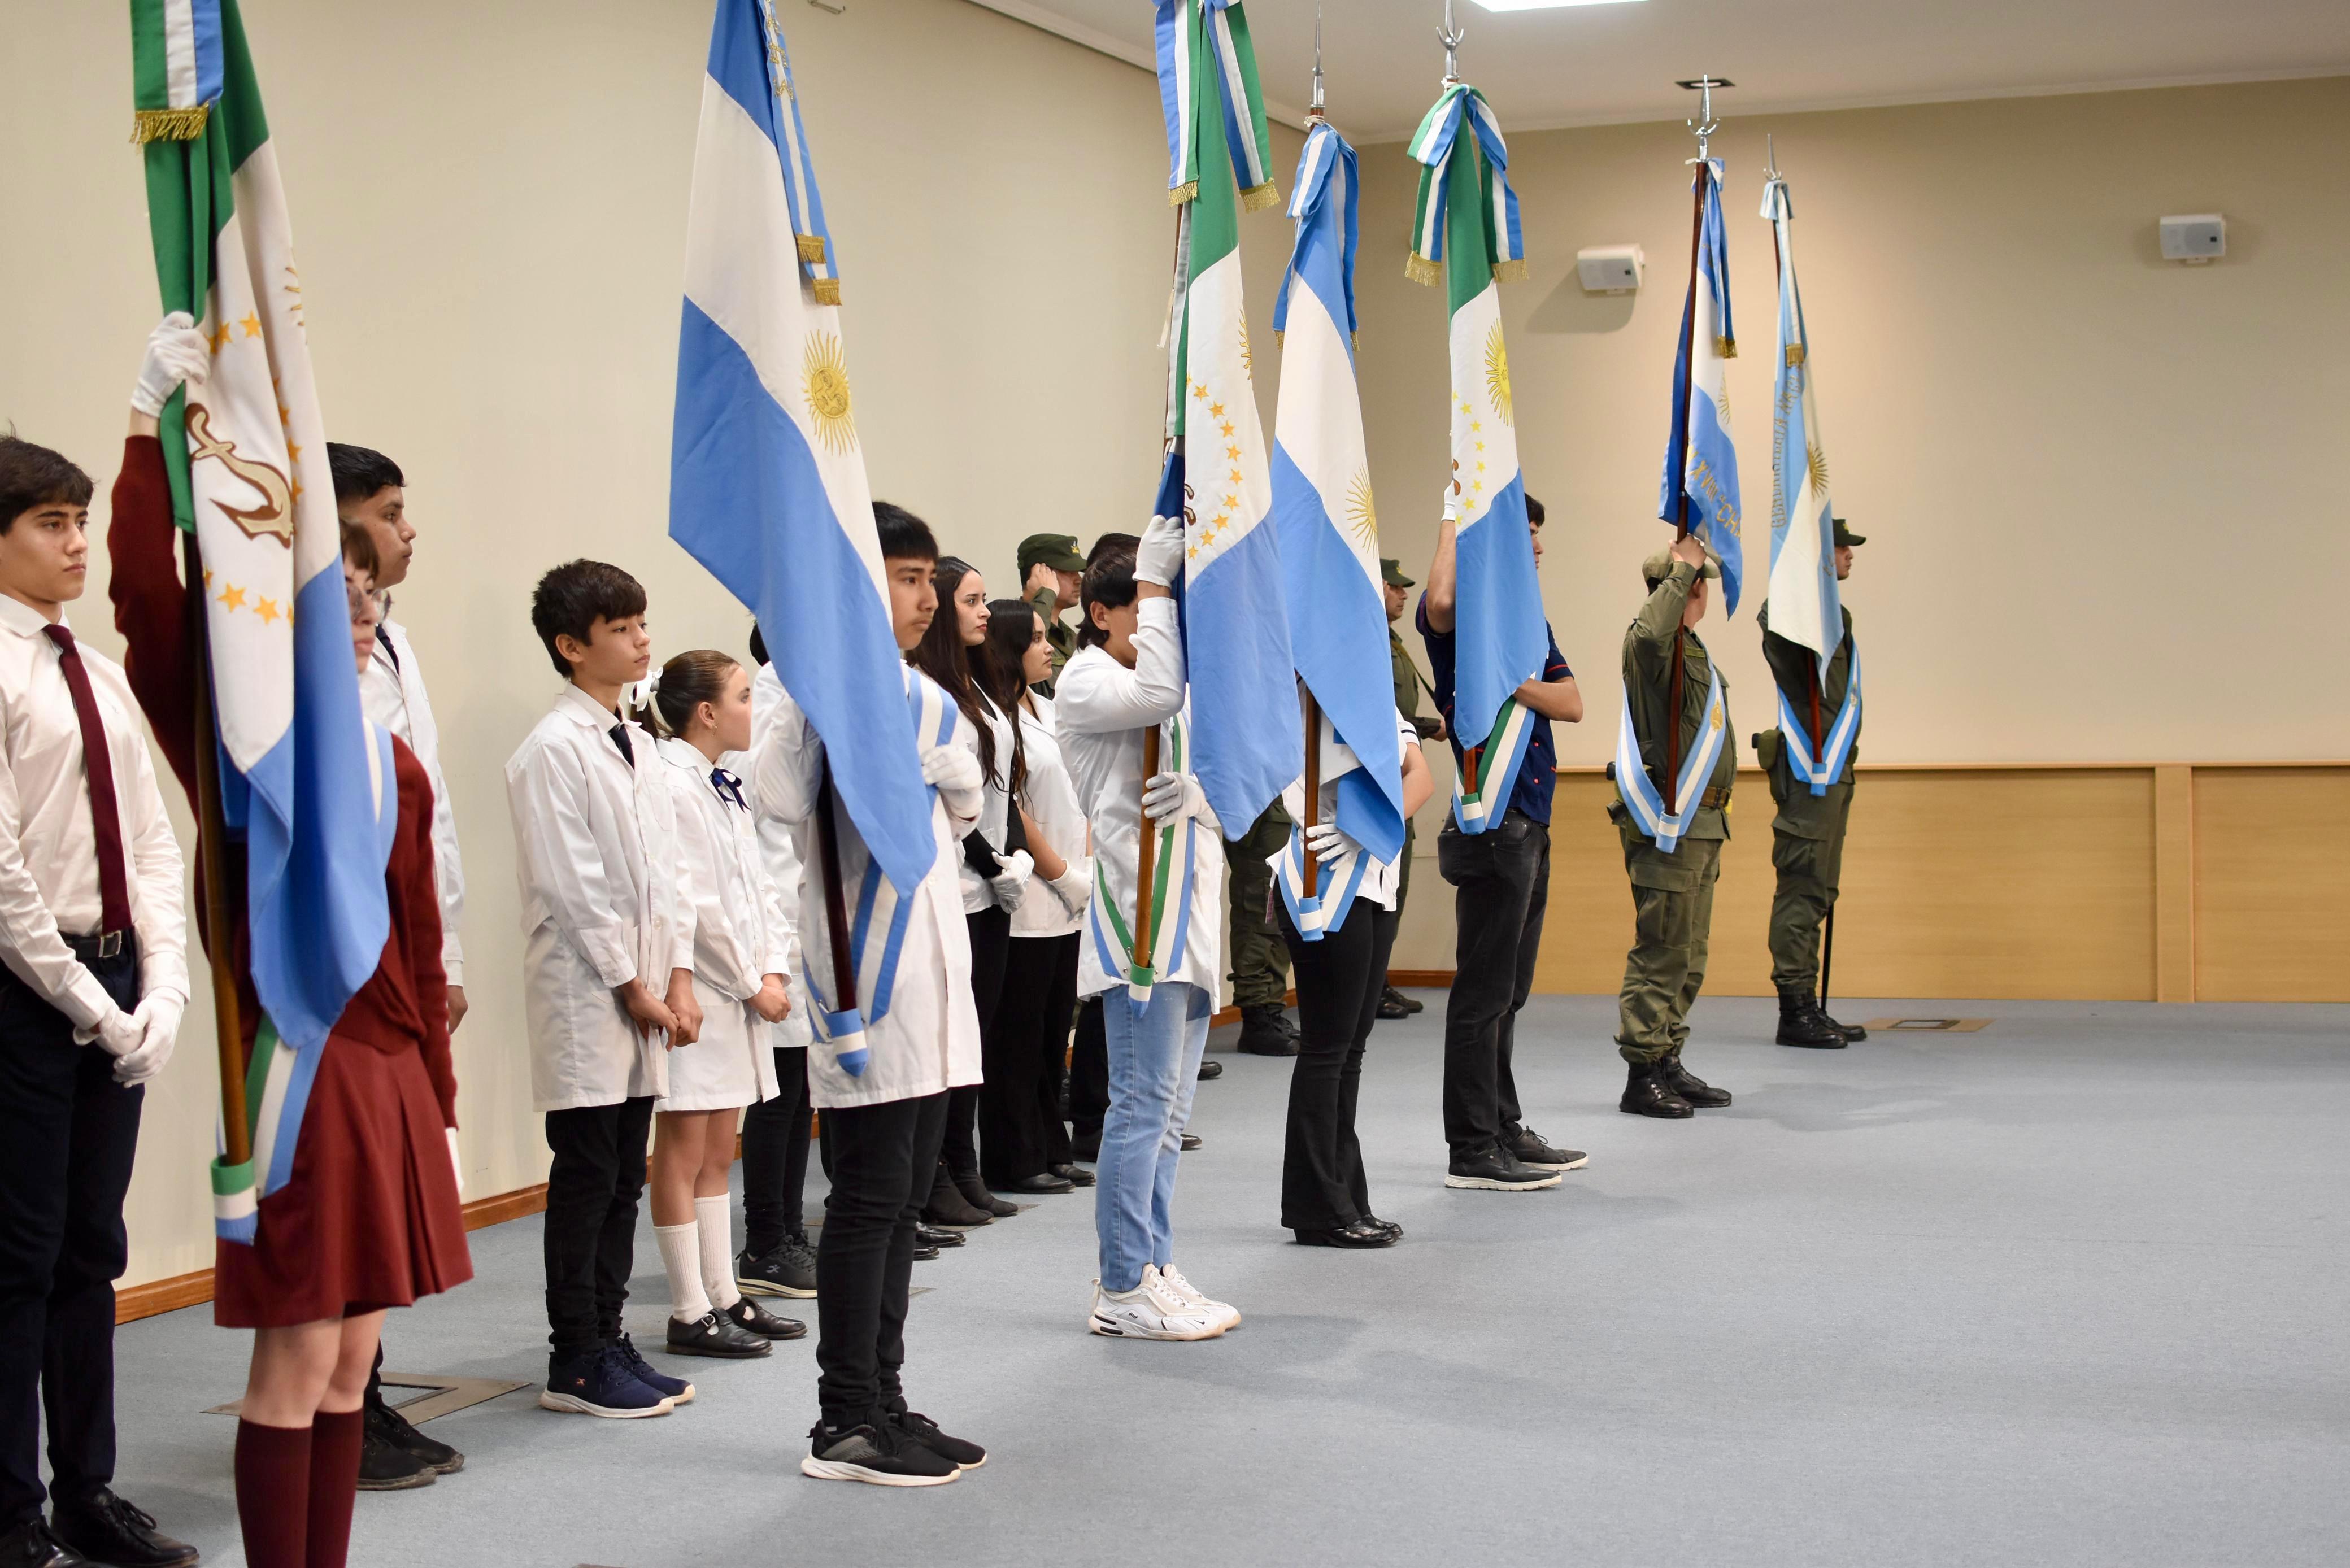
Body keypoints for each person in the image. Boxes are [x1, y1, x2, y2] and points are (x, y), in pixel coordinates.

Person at [204, 525, 475, 1568]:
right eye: (340, 600)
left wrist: (438, 1097)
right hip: (306, 1066)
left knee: (353, 1354)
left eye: (371, 601)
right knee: (299, 1349)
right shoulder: (254, 754)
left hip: (388, 1069)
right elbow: (155, 603)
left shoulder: (391, 762)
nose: (363, 621)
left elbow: (417, 944)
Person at [754, 502, 986, 1487]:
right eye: (904, 576)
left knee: (902, 1211)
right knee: (866, 1200)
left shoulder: (921, 692)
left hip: (935, 981)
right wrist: (827, 713)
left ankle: (887, 1397)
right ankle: (843, 1416)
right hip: (865, 980)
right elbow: (770, 795)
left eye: (932, 578)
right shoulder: (802, 685)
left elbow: (967, 809)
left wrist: (949, 769)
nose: (925, 597)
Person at [1, 422, 194, 1568]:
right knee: (17, 1254)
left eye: (82, 520)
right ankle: (10, 1509)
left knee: (92, 1248)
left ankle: (89, 1489)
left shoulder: (99, 672)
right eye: (51, 523)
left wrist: (160, 984)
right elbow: (6, 873)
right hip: (28, 989)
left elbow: (154, 842)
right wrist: (85, 997)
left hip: (117, 976)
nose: (78, 543)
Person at [506, 560, 699, 1419]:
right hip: (591, 994)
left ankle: (611, 1335)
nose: (641, 641)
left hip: (649, 990)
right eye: (621, 629)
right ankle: (573, 1357)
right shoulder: (550, 750)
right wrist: (632, 986)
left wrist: (680, 976)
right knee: (587, 1175)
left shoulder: (642, 746)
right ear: (570, 646)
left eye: (641, 623)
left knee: (626, 1170)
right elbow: (574, 886)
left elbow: (670, 871)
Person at [326, 441, 471, 1488]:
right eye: (387, 511)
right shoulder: (314, 654)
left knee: (388, 1206)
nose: (407, 529)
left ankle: (369, 1393)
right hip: (350, 970)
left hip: (413, 950)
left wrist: (444, 952)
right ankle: (352, 1400)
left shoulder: (394, 643)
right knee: (353, 1201)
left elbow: (430, 820)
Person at [1057, 524, 1237, 1341]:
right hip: (1138, 925)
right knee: (1136, 1106)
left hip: (1189, 925)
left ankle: (1154, 1264)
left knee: (1167, 1114)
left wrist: (1206, 796)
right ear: (1102, 613)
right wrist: (1162, 583)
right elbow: (1160, 695)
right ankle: (1121, 1282)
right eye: (1144, 605)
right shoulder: (1086, 679)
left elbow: (1228, 762)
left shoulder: (1165, 680)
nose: (1163, 620)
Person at [1418, 496, 1587, 1190]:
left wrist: (1509, 680)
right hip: (1491, 824)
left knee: (1509, 990)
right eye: (1526, 537)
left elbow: (1572, 701)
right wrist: (1455, 512)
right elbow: (1438, 597)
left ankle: (1502, 1123)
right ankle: (1471, 1146)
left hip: (1531, 821)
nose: (1538, 549)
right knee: (1480, 991)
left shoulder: (1521, 631)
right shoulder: (1464, 626)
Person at [646, 650, 804, 1359]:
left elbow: (757, 888)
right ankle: (687, 1308)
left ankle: (723, 1293)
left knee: (717, 1149)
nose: (753, 708)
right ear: (705, 712)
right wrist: (750, 983)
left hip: (740, 989)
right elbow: (695, 905)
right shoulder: (673, 784)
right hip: (702, 992)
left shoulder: (722, 784)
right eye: (744, 697)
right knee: (681, 1152)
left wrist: (774, 965)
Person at [1272, 701, 1434, 1247]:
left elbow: (1422, 776)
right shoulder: (1305, 692)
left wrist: (1373, 829)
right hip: (1324, 872)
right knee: (1327, 1046)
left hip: (1373, 870)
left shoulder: (1375, 696)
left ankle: (1345, 1196)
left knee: (1351, 1049)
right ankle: (1318, 1206)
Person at [910, 558, 1035, 1223]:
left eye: (986, 600)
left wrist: (1009, 857)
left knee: (975, 1036)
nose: (984, 612)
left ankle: (962, 1164)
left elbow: (998, 788)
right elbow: (943, 799)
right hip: (958, 881)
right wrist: (991, 862)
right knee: (950, 1040)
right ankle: (936, 1172)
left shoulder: (974, 684)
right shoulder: (929, 690)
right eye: (972, 600)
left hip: (992, 883)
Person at [1611, 534, 1740, 1117]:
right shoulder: (1653, 647)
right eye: (1698, 580)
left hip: (1704, 821)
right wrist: (1679, 572)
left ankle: (1666, 1056)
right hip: (1668, 820)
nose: (1706, 588)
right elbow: (1645, 635)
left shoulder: (1692, 651)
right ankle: (1641, 1072)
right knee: (1662, 947)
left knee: (1690, 952)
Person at [973, 599, 1093, 1194]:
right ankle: (1013, 1156)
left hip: (1067, 896)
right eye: (1038, 638)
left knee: (1051, 1035)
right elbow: (1013, 812)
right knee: (1016, 1039)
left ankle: (1050, 1144)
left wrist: (1082, 868)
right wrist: (1062, 873)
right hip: (1033, 893)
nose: (1049, 647)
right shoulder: (996, 716)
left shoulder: (1043, 708)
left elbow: (1074, 798)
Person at [731, 626, 822, 1300]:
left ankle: (788, 1226)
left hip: (796, 913)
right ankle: (764, 1237)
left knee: (797, 1093)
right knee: (777, 1094)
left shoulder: (792, 694)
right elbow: (777, 799)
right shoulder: (770, 694)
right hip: (770, 924)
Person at [1760, 519, 1868, 1048]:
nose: (1851, 556)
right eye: (1843, 549)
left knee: (1821, 890)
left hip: (1834, 771)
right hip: (1809, 773)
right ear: (1822, 558)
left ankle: (1811, 1005)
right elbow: (1774, 630)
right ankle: (1794, 1007)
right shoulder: (1799, 618)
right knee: (1801, 890)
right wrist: (1797, 586)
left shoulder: (1836, 617)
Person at [1378, 558, 1442, 1021]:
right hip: (1378, 774)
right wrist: (1426, 726)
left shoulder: (1395, 641)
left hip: (1402, 770)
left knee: (1395, 887)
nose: (1404, 595)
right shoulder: (1365, 638)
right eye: (1396, 587)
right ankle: (1370, 981)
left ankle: (1377, 977)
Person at [1016, 532, 1086, 695]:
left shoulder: (1070, 638)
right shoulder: (1009, 626)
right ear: (1039, 572)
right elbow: (1026, 649)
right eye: (1069, 571)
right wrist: (1046, 593)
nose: (1079, 580)